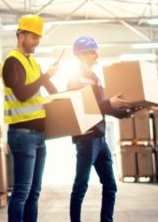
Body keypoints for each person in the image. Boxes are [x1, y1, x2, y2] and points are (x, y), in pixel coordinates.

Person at [68, 37, 133, 222]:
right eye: (91, 51)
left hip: (100, 138)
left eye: (96, 50)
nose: (96, 54)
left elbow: (104, 108)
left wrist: (127, 112)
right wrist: (109, 102)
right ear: (80, 55)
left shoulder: (95, 79)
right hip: (86, 138)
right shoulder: (75, 79)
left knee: (110, 186)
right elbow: (81, 107)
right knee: (81, 186)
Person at [1, 14, 59, 222]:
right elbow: (22, 94)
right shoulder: (11, 62)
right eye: (33, 37)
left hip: (39, 135)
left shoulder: (33, 63)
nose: (37, 42)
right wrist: (46, 78)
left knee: (34, 192)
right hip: (22, 134)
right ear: (20, 35)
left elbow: (50, 89)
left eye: (39, 38)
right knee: (22, 193)